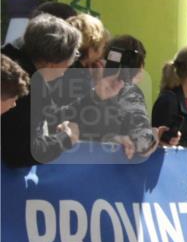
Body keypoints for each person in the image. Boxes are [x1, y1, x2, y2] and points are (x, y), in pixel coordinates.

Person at [1, 14, 124, 166]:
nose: (72, 64)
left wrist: (96, 96)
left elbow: (52, 116)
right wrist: (65, 139)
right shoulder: (20, 86)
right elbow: (21, 153)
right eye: (74, 55)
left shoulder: (31, 73)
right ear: (53, 62)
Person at [76, 35, 162, 158]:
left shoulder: (84, 84)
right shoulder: (129, 91)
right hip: (109, 170)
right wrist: (154, 135)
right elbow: (143, 143)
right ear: (139, 66)